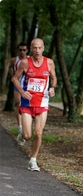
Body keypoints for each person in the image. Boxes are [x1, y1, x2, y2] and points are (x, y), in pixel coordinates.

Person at [11, 38, 57, 172]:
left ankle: (33, 160)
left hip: (42, 102)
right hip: (27, 103)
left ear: (43, 48)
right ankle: (21, 135)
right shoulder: (25, 63)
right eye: (34, 48)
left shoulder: (49, 63)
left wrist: (53, 88)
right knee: (27, 136)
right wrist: (21, 91)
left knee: (38, 133)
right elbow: (14, 78)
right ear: (31, 49)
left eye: (39, 48)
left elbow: (54, 78)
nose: (37, 51)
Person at [9, 42, 29, 135]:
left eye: (24, 50)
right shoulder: (14, 60)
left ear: (27, 50)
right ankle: (20, 126)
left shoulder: (30, 60)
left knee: (27, 105)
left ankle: (27, 125)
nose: (22, 52)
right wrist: (13, 77)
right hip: (17, 85)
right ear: (18, 50)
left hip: (28, 86)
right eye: (20, 50)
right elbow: (10, 67)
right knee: (19, 104)